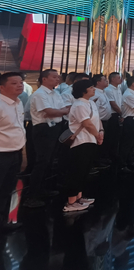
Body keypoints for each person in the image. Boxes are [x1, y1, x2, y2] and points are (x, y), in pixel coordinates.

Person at [26, 69, 70, 208]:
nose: (57, 79)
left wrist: (59, 111)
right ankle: (32, 195)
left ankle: (44, 189)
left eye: (58, 77)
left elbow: (64, 109)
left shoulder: (55, 93)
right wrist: (60, 111)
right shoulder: (39, 94)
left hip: (55, 127)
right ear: (44, 79)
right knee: (42, 161)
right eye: (54, 77)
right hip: (43, 129)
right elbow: (49, 112)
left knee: (50, 160)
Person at [63, 79, 103, 213]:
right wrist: (98, 135)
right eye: (91, 87)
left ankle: (79, 197)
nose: (94, 89)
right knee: (77, 171)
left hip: (91, 140)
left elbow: (97, 120)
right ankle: (71, 202)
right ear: (83, 90)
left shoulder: (90, 102)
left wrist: (101, 131)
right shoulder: (79, 104)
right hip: (81, 141)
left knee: (84, 171)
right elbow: (87, 123)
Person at [0, 73, 27, 231]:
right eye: (14, 83)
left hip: (15, 152)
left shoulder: (18, 103)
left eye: (21, 82)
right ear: (2, 87)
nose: (19, 85)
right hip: (2, 154)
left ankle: (3, 221)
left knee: (8, 188)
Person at [91, 74, 112, 166]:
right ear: (98, 82)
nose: (107, 81)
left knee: (104, 141)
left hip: (106, 121)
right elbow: (94, 110)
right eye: (104, 80)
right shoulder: (95, 94)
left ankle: (101, 158)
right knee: (98, 142)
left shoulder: (103, 92)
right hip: (99, 122)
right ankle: (95, 162)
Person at [104, 72, 123, 164]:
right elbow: (113, 104)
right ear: (112, 79)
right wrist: (121, 113)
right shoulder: (108, 90)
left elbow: (120, 102)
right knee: (110, 136)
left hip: (118, 114)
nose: (120, 79)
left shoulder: (118, 88)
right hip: (113, 115)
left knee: (116, 136)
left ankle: (114, 153)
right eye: (118, 78)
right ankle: (108, 155)